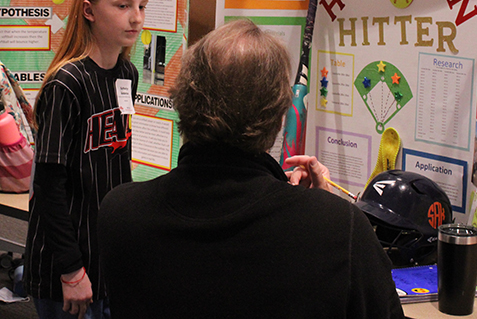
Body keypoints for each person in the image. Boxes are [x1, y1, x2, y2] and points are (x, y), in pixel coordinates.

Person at [98, 19, 404, 319]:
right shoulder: (338, 228)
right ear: (277, 114)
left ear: (182, 99)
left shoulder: (120, 213)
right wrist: (321, 213)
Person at [24, 0, 149, 319]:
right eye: (123, 5)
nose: (136, 17)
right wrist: (71, 270)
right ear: (89, 11)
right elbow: (48, 186)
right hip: (65, 267)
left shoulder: (127, 73)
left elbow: (115, 166)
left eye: (141, 6)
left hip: (104, 258)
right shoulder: (67, 84)